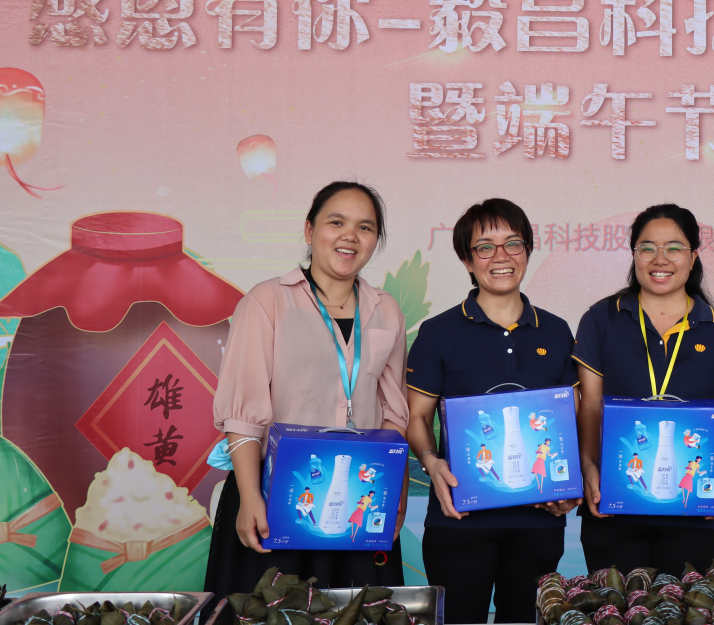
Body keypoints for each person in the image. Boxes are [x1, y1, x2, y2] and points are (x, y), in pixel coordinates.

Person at [207, 181, 410, 595]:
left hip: (360, 495)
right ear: (309, 230)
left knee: (356, 612)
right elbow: (243, 415)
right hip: (274, 493)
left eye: (365, 227)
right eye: (337, 222)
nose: (350, 236)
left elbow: (394, 413)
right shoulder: (268, 301)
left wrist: (396, 494)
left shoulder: (386, 309)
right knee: (271, 612)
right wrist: (250, 496)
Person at [405, 198, 579, 625]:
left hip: (539, 520)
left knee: (523, 619)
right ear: (467, 260)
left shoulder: (556, 331)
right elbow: (416, 418)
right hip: (459, 518)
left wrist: (570, 484)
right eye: (485, 247)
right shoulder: (439, 332)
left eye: (513, 244)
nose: (501, 257)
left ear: (528, 251)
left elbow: (570, 420)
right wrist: (431, 462)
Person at [575, 203, 714, 575]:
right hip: (613, 499)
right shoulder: (601, 319)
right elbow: (589, 405)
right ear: (634, 254)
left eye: (674, 248)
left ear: (693, 256)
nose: (660, 259)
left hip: (692, 508)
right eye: (647, 248)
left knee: (682, 602)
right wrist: (588, 466)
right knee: (615, 603)